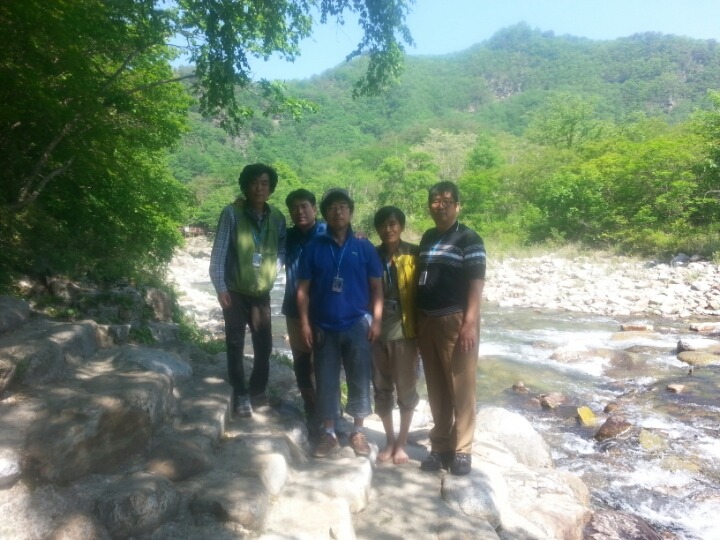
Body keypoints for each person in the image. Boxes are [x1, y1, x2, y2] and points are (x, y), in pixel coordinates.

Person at [297, 188, 383, 458]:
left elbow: (377, 287)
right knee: (326, 379)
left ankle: (358, 431)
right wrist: (304, 324)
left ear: (351, 211)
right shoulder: (313, 248)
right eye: (332, 207)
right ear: (325, 213)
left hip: (357, 324)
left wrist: (377, 321)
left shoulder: (364, 247)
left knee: (360, 377)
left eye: (343, 206)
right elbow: (302, 290)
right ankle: (329, 433)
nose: (338, 211)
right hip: (323, 324)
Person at [416, 181, 486, 476]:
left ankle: (462, 450)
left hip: (456, 321)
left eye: (447, 201)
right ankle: (440, 445)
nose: (440, 206)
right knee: (436, 387)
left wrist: (469, 324)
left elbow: (476, 285)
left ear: (457, 206)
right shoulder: (428, 237)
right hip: (427, 321)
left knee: (461, 386)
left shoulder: (469, 238)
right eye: (435, 200)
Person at [209, 163, 287, 418]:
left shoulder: (277, 217)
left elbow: (282, 248)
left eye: (264, 183)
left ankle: (258, 391)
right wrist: (220, 287)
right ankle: (240, 393)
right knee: (235, 343)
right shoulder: (231, 213)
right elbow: (219, 253)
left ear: (271, 188)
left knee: (264, 345)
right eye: (254, 182)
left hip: (261, 292)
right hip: (234, 290)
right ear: (245, 186)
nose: (259, 188)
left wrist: (273, 270)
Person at [372, 206, 420, 464]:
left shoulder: (414, 253)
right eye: (382, 225)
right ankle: (389, 439)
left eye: (392, 223)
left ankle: (402, 441)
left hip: (405, 332)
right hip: (376, 332)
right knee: (381, 387)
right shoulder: (371, 254)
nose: (388, 229)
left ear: (401, 226)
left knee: (406, 389)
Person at [281, 189, 326, 429]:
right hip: (293, 309)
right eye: (294, 208)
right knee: (301, 362)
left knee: (325, 363)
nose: (299, 212)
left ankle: (329, 413)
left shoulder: (328, 233)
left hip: (323, 311)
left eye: (304, 206)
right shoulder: (287, 237)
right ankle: (311, 410)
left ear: (314, 209)